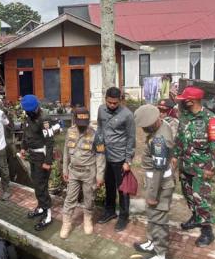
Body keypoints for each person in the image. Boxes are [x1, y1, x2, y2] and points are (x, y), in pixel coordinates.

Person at [172, 86, 215, 247]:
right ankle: (195, 217)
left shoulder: (211, 119)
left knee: (202, 199)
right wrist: (174, 156)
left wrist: (211, 167)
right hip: (186, 166)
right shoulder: (185, 117)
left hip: (202, 169)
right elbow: (180, 139)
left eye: (184, 101)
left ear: (190, 101)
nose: (182, 103)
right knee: (189, 195)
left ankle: (207, 230)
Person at [133, 104, 175, 259]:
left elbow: (158, 169)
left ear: (152, 123)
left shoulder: (159, 140)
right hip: (155, 183)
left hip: (160, 185)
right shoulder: (161, 126)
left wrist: (152, 195)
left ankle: (161, 255)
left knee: (159, 220)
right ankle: (152, 242)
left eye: (145, 126)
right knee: (152, 215)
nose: (143, 129)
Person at [60, 107, 106, 239]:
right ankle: (66, 223)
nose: (82, 127)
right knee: (70, 198)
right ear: (75, 119)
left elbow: (100, 156)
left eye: (84, 123)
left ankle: (87, 218)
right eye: (80, 124)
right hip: (73, 171)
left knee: (89, 198)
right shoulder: (70, 131)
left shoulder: (96, 134)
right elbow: (65, 152)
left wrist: (100, 176)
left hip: (88, 172)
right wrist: (64, 170)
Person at [96, 87, 136, 231]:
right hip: (106, 156)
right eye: (109, 102)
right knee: (109, 186)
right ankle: (110, 211)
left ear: (120, 100)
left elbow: (131, 138)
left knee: (123, 189)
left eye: (115, 103)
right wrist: (97, 148)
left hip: (120, 159)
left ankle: (124, 216)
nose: (112, 105)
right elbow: (99, 129)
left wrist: (128, 160)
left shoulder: (127, 115)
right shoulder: (101, 110)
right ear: (105, 99)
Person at [20, 94, 60, 231]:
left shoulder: (44, 119)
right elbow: (26, 134)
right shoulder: (28, 116)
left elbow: (50, 142)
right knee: (36, 184)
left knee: (41, 185)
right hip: (32, 155)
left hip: (42, 156)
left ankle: (48, 213)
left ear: (37, 107)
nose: (31, 113)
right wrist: (23, 147)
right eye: (29, 111)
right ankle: (41, 207)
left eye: (33, 110)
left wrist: (48, 161)